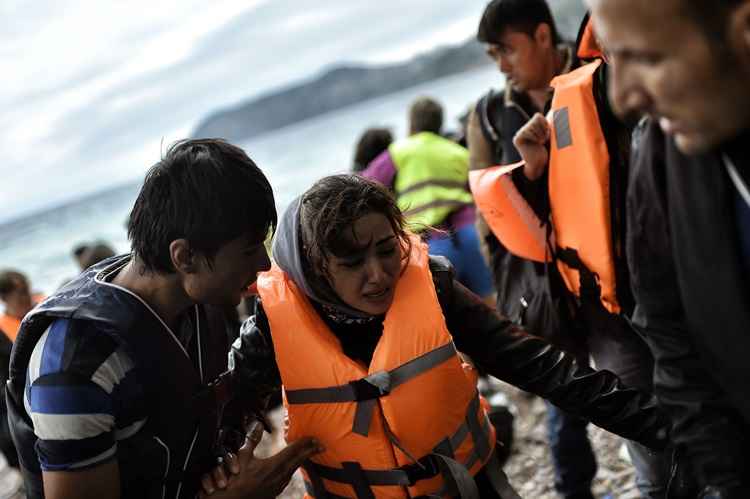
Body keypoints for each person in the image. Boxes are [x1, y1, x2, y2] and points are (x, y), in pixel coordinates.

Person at [212, 174, 669, 499]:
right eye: (352, 263)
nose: (378, 276)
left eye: (387, 250)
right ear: (314, 269)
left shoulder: (433, 285)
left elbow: (545, 370)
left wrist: (669, 429)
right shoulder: (271, 329)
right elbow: (219, 426)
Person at [6, 139, 321, 499]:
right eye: (249, 251)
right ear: (185, 256)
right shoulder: (73, 366)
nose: (263, 265)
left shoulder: (195, 297)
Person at [586, 0, 750, 496]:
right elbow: (671, 339)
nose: (621, 99)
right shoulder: (660, 158)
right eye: (614, 58)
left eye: (648, 58)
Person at [466, 2, 596, 498]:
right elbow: (485, 209)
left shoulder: (595, 77)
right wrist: (508, 287)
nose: (501, 64)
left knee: (649, 383)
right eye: (492, 54)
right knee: (564, 400)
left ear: (543, 36)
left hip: (612, 271)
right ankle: (574, 492)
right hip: (544, 285)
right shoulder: (489, 116)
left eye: (506, 49)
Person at [361, 97, 495, 303]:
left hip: (432, 243)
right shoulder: (456, 150)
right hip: (471, 235)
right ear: (440, 123)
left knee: (447, 316)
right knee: (490, 305)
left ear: (411, 123)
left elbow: (363, 187)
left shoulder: (399, 151)